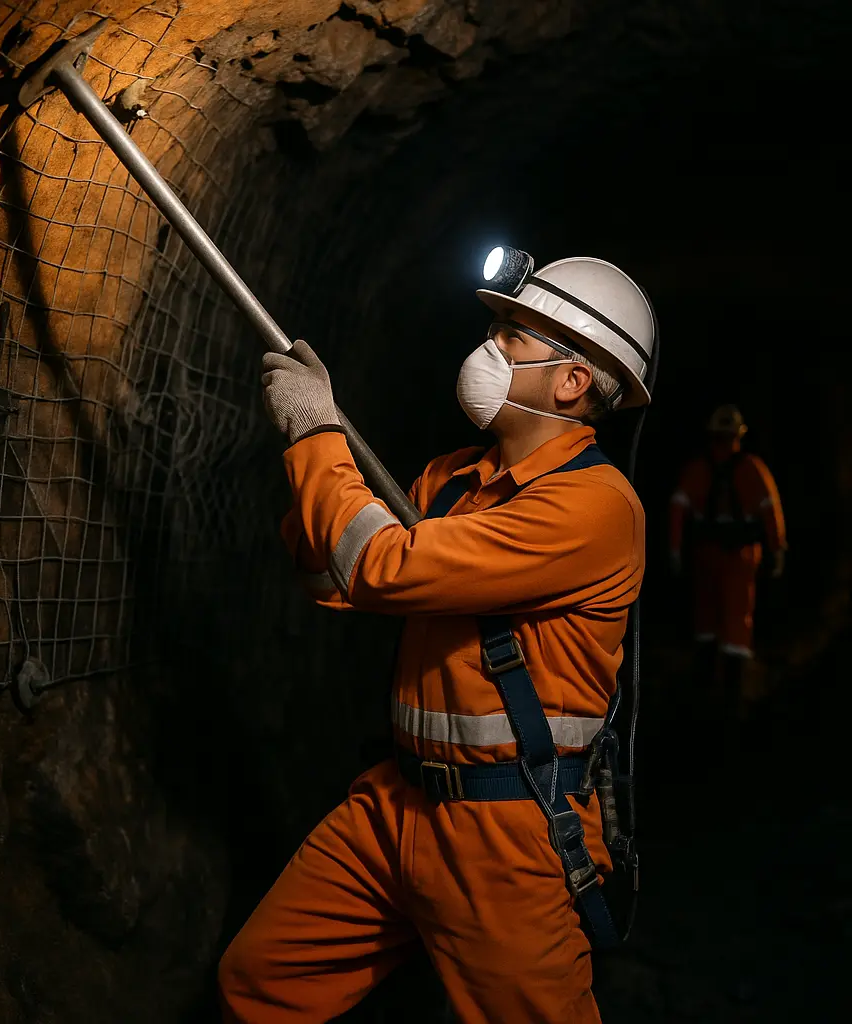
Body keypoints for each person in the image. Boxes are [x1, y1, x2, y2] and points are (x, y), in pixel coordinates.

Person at [219, 255, 655, 1024]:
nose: (488, 345)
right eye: (493, 326)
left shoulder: (595, 509)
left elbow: (382, 568)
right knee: (261, 984)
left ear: (572, 383)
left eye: (512, 335)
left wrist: (317, 433)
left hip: (507, 830)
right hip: (396, 804)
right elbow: (337, 582)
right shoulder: (453, 480)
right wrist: (314, 461)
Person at [668, 404, 786, 716]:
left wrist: (676, 551)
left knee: (708, 618)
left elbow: (678, 510)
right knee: (735, 619)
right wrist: (777, 549)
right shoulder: (751, 468)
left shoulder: (698, 469)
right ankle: (730, 696)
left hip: (712, 551)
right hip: (736, 555)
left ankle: (711, 690)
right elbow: (770, 509)